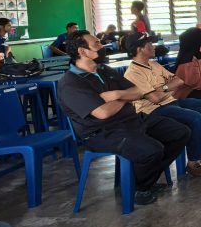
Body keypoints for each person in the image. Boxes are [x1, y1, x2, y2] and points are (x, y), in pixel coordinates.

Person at [58, 31, 191, 205]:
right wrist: (125, 98)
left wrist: (117, 95)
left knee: (180, 132)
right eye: (97, 44)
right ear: (82, 51)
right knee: (152, 150)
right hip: (102, 133)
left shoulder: (104, 70)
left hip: (131, 120)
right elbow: (103, 113)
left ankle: (145, 180)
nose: (102, 46)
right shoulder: (71, 83)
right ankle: (140, 188)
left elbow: (137, 92)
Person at [124, 34, 201, 177]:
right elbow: (155, 99)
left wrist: (163, 89)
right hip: (153, 111)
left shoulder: (154, 65)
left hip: (172, 102)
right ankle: (193, 162)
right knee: (194, 117)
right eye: (149, 44)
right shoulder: (133, 73)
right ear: (140, 49)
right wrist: (168, 88)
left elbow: (179, 81)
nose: (154, 47)